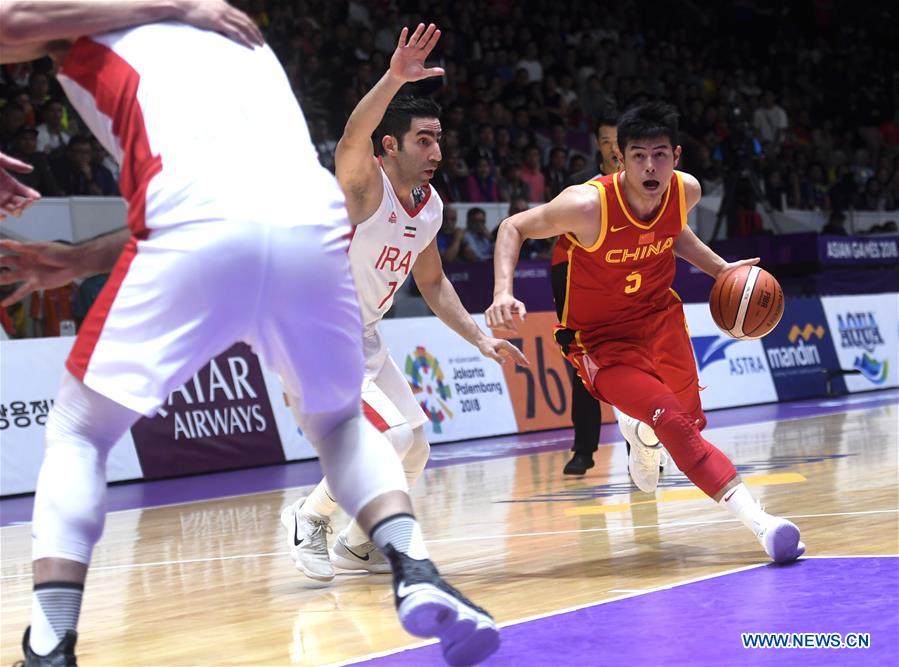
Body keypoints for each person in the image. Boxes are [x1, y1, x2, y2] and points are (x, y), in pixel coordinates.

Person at [0, 7, 498, 666]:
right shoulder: (233, 30)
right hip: (310, 225)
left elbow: (12, 20)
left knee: (79, 430)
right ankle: (415, 568)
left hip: (198, 225)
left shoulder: (122, 18)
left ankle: (51, 642)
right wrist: (72, 260)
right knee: (343, 425)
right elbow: (231, 201)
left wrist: (164, 6)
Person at [486, 102, 805, 564]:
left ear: (675, 155)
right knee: (673, 420)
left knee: (687, 425)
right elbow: (513, 226)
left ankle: (641, 436)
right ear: (620, 158)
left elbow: (674, 232)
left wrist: (720, 270)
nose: (649, 166)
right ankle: (763, 525)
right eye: (638, 155)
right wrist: (501, 291)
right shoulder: (587, 205)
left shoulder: (685, 191)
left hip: (660, 320)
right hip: (600, 340)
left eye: (659, 154)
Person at [281, 25, 527, 585]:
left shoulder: (431, 206)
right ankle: (310, 516)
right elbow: (351, 134)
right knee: (387, 439)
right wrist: (394, 77)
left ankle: (356, 546)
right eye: (423, 139)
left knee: (415, 446)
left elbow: (435, 284)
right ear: (389, 145)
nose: (437, 151)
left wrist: (481, 339)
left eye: (439, 138)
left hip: (362, 337)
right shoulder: (364, 185)